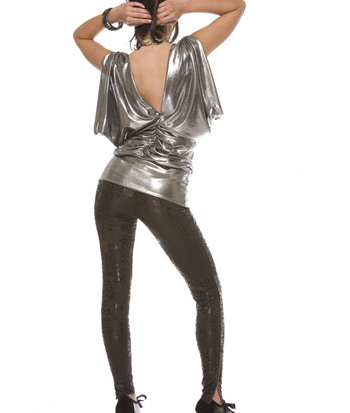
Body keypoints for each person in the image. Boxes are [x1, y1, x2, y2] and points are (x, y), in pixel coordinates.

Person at [73, 0, 246, 412]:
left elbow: (80, 36)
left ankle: (125, 399)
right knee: (207, 293)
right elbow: (236, 7)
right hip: (161, 194)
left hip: (112, 187)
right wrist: (187, 5)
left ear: (135, 22)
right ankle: (212, 397)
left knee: (116, 295)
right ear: (169, 19)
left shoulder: (118, 65)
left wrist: (112, 16)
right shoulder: (189, 51)